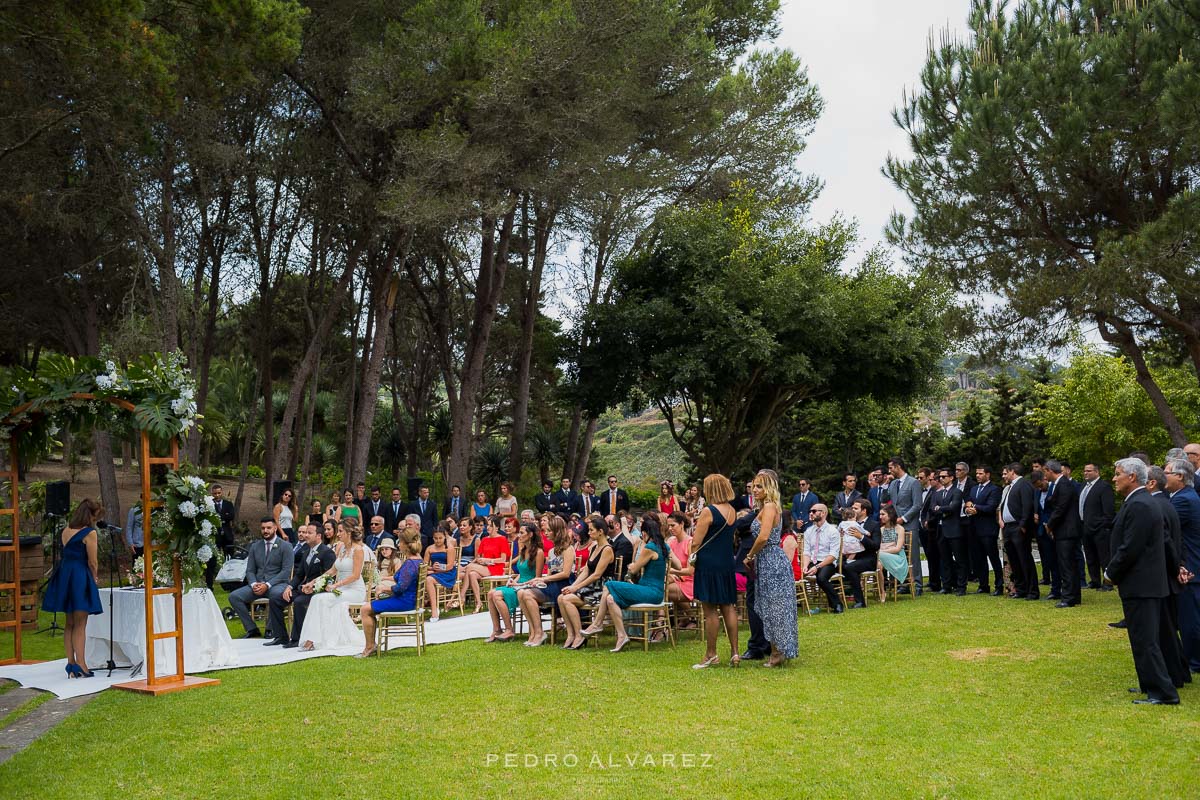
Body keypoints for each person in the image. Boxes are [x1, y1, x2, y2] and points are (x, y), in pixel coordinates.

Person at [1106, 458, 1179, 705]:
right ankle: (1149, 685)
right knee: (1142, 638)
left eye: (1118, 474)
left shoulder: (1140, 504)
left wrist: (1110, 573)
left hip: (1142, 583)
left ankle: (1163, 692)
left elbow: (1131, 547)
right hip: (1141, 583)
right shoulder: (1139, 501)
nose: (1114, 478)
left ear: (1132, 477)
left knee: (1146, 640)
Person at [583, 515, 676, 652]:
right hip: (655, 591)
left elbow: (634, 569)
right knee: (610, 598)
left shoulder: (649, 547)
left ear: (644, 533)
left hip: (649, 591)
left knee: (610, 585)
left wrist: (632, 565)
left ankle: (597, 623)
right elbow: (678, 565)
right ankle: (622, 636)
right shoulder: (664, 547)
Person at [42, 498, 104, 678]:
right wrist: (94, 578)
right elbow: (92, 561)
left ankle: (70, 663)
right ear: (90, 515)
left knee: (69, 623)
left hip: (65, 575)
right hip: (79, 576)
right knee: (80, 623)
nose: (95, 520)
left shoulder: (66, 530)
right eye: (95, 516)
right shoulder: (89, 533)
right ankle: (82, 665)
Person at [743, 470, 798, 667]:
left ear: (769, 488)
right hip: (767, 560)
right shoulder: (769, 507)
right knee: (770, 605)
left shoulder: (769, 507)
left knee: (775, 606)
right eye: (754, 486)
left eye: (759, 486)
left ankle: (777, 652)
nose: (755, 490)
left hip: (771, 560)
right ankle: (777, 649)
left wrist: (749, 555)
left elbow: (764, 537)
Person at [690, 473, 739, 669]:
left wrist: (692, 555)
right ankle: (735, 652)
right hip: (727, 562)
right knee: (728, 607)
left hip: (709, 563)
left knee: (710, 610)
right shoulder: (733, 511)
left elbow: (696, 541)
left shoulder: (708, 511)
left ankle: (711, 653)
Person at [298, 517, 367, 652]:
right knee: (316, 598)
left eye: (340, 531)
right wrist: (312, 583)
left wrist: (336, 585)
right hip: (341, 589)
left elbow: (356, 575)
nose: (338, 534)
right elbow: (332, 570)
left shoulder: (358, 550)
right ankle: (313, 639)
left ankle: (315, 640)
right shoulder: (341, 548)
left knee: (322, 599)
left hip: (355, 591)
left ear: (348, 532)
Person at [265, 524, 335, 648]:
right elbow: (299, 575)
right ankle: (281, 636)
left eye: (309, 532)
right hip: (303, 588)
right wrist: (289, 587)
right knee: (275, 598)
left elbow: (328, 576)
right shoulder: (306, 552)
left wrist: (313, 587)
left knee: (299, 601)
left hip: (319, 591)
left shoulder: (327, 553)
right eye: (305, 532)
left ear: (318, 536)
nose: (305, 535)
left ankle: (298, 638)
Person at [358, 530, 423, 657]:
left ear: (405, 544)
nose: (398, 545)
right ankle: (371, 645)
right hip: (408, 600)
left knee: (365, 609)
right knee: (370, 606)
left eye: (400, 542)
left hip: (404, 602)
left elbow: (400, 588)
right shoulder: (417, 560)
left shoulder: (410, 563)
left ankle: (370, 646)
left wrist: (383, 589)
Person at [228, 518, 294, 638]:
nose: (265, 530)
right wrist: (253, 584)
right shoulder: (255, 546)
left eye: (268, 528)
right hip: (257, 585)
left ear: (275, 528)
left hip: (278, 584)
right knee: (234, 596)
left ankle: (271, 629)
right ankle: (252, 629)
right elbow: (250, 570)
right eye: (263, 528)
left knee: (276, 596)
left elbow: (286, 572)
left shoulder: (286, 546)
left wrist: (267, 585)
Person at [557, 515, 614, 649]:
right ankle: (571, 634)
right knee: (561, 597)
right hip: (591, 586)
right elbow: (587, 571)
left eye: (591, 530)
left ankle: (579, 635)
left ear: (600, 531)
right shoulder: (594, 548)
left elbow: (596, 575)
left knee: (566, 599)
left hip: (602, 587)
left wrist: (575, 588)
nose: (588, 533)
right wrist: (572, 586)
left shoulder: (607, 549)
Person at [1166, 458, 1200, 676]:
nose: (1163, 475)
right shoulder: (1185, 496)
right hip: (1191, 565)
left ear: (1180, 476)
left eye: (1167, 471)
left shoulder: (1183, 500)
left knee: (1190, 618)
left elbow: (1165, 526)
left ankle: (1194, 660)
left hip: (1190, 567)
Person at [516, 515, 572, 646]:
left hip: (562, 585)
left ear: (557, 531)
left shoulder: (568, 549)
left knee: (527, 594)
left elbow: (566, 573)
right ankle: (534, 632)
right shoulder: (552, 551)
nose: (545, 533)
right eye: (545, 531)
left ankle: (540, 632)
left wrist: (544, 578)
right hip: (551, 583)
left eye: (549, 531)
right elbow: (550, 572)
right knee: (521, 592)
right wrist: (538, 581)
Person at [485, 522, 544, 642]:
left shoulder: (538, 552)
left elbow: (538, 577)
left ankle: (509, 629)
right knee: (490, 593)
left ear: (530, 534)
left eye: (522, 533)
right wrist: (513, 580)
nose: (519, 535)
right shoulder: (523, 551)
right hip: (519, 583)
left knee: (497, 595)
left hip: (528, 586)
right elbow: (521, 573)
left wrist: (520, 584)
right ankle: (497, 629)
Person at [1043, 460, 1082, 607]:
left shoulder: (1064, 484)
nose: (1044, 476)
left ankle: (1068, 597)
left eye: (1045, 472)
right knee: (1069, 564)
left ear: (1049, 470)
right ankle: (1074, 595)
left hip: (1067, 530)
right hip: (1065, 530)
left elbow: (1061, 508)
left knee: (1066, 564)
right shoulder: (1061, 484)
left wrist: (1050, 525)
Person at [1000, 463, 1038, 600]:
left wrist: (1023, 524)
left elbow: (1027, 505)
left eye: (1007, 472)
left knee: (1024, 558)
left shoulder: (1024, 484)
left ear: (1012, 471)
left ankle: (1032, 590)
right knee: (1014, 560)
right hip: (1008, 527)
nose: (1005, 475)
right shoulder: (1011, 487)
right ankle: (1021, 589)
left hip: (1018, 526)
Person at [965, 466, 1004, 595]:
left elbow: (991, 506)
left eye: (980, 473)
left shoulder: (994, 489)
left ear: (988, 474)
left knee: (993, 558)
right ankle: (983, 585)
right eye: (976, 473)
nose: (977, 475)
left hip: (988, 529)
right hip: (974, 528)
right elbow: (968, 503)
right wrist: (968, 509)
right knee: (979, 559)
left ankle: (999, 585)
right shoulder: (974, 488)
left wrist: (975, 507)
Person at [1079, 462, 1116, 591]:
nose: (1086, 473)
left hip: (1099, 529)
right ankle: (1095, 580)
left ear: (1096, 472)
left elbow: (1109, 511)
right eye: (1085, 471)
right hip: (1085, 527)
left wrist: (1101, 524)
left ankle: (1108, 582)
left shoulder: (1104, 487)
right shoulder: (1083, 486)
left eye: (1089, 471)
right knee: (1090, 556)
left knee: (1104, 557)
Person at [888, 458, 923, 591]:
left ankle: (918, 585)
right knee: (899, 555)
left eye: (891, 468)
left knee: (913, 556)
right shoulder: (893, 483)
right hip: (895, 526)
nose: (889, 471)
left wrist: (903, 518)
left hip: (909, 525)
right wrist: (886, 484)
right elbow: (885, 500)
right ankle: (904, 584)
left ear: (898, 467)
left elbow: (917, 505)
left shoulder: (913, 483)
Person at [800, 504, 843, 612]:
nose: (811, 513)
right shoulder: (809, 531)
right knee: (799, 572)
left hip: (827, 562)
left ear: (823, 513)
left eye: (814, 511)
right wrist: (805, 565)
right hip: (812, 561)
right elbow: (806, 552)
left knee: (821, 578)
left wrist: (817, 567)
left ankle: (837, 604)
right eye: (810, 511)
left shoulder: (833, 531)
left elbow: (833, 555)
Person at [839, 498, 881, 607]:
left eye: (855, 508)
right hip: (849, 557)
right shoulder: (847, 524)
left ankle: (860, 601)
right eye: (852, 507)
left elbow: (876, 546)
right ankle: (838, 599)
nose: (852, 509)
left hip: (867, 559)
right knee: (834, 565)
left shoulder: (874, 525)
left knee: (849, 567)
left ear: (864, 511)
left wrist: (861, 536)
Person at [460, 516, 507, 612]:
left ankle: (461, 596)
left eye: (490, 525)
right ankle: (478, 602)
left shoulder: (502, 539)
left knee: (469, 568)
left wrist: (489, 560)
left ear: (497, 527)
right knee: (472, 574)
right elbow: (478, 556)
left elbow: (503, 559)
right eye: (487, 525)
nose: (488, 528)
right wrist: (481, 560)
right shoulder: (485, 539)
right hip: (485, 566)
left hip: (496, 567)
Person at [932, 468, 967, 595]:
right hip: (941, 529)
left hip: (954, 529)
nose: (941, 479)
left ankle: (961, 586)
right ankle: (946, 585)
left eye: (944, 476)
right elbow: (932, 508)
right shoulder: (938, 493)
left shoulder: (957, 492)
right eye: (940, 477)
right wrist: (942, 510)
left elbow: (954, 507)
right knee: (945, 559)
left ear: (951, 478)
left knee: (959, 559)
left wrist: (940, 508)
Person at [664, 513, 696, 627]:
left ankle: (689, 617)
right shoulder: (672, 542)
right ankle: (686, 617)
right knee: (660, 584)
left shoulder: (690, 543)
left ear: (682, 524)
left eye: (673, 525)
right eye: (669, 526)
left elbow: (690, 571)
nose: (670, 529)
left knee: (662, 589)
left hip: (690, 582)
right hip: (676, 578)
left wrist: (672, 572)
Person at [423, 523, 458, 622]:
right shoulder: (430, 548)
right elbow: (424, 565)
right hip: (435, 572)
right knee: (424, 577)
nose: (438, 540)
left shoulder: (449, 548)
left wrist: (437, 568)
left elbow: (450, 565)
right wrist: (431, 567)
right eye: (435, 538)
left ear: (444, 537)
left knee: (429, 579)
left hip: (448, 573)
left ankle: (434, 610)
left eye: (440, 538)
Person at [876, 506, 909, 596]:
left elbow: (898, 548)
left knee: (877, 556)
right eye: (880, 514)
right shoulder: (881, 529)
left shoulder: (900, 528)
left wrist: (882, 552)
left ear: (890, 515)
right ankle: (882, 591)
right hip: (883, 556)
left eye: (883, 514)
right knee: (878, 565)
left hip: (898, 557)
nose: (880, 517)